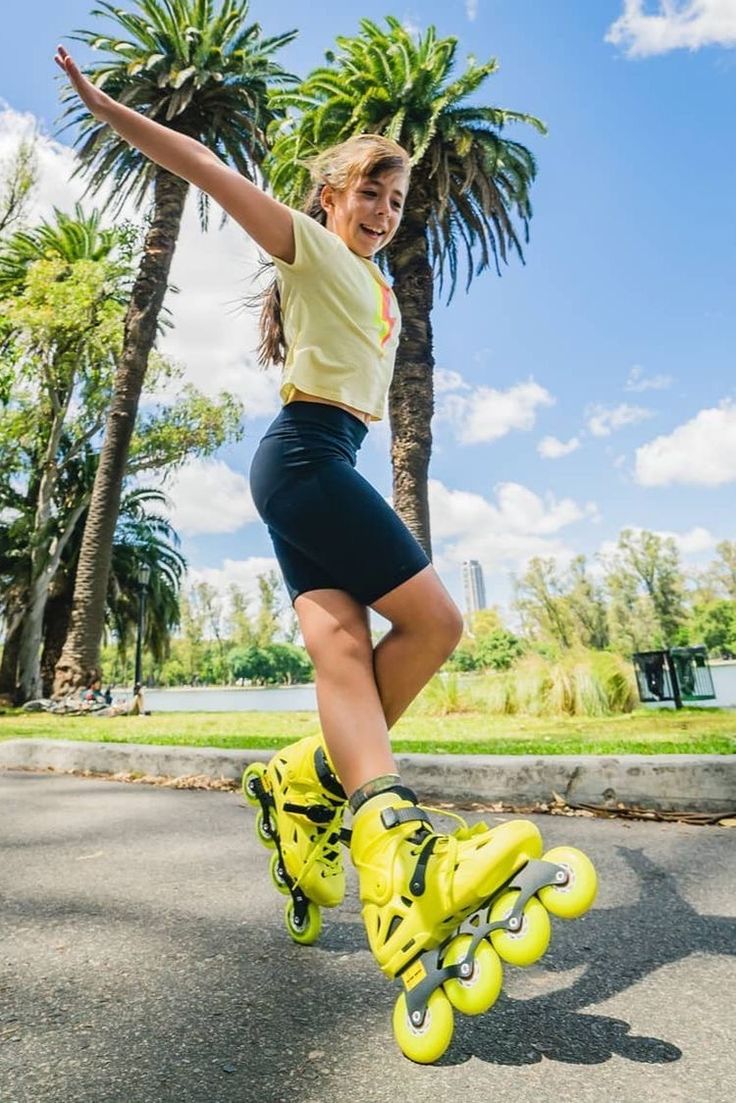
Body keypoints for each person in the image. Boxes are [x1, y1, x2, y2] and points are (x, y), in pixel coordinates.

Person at [54, 44, 557, 1029]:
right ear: (330, 195)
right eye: (370, 190)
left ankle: (303, 780)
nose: (383, 210)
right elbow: (202, 163)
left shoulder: (383, 291)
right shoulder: (310, 247)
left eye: (397, 201)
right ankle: (386, 827)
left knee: (341, 650)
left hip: (325, 462)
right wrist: (101, 103)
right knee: (438, 623)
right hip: (303, 458)